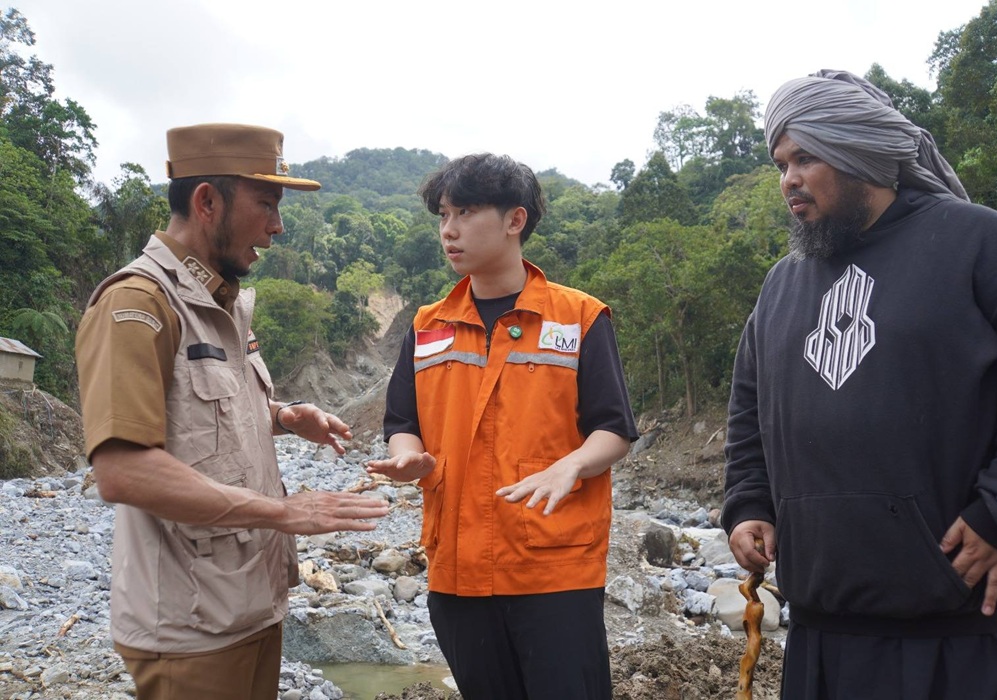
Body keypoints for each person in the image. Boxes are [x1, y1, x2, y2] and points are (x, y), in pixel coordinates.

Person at [722, 69, 997, 700]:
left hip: (961, 635)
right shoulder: (783, 284)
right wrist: (749, 505)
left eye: (806, 158)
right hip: (822, 635)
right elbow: (749, 413)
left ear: (859, 153)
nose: (788, 179)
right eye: (781, 164)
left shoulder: (979, 243)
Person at [75, 123, 390, 700]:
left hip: (248, 605)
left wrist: (284, 415)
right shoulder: (139, 304)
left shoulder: (221, 302)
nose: (277, 226)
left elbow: (203, 413)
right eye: (266, 204)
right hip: (189, 628)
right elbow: (124, 470)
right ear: (207, 202)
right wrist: (284, 512)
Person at [365, 153, 638, 699]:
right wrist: (406, 456)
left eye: (465, 213)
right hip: (457, 568)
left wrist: (571, 466)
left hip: (554, 569)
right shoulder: (427, 326)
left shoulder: (579, 318)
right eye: (443, 215)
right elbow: (403, 421)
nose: (449, 230)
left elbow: (614, 428)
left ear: (515, 220)